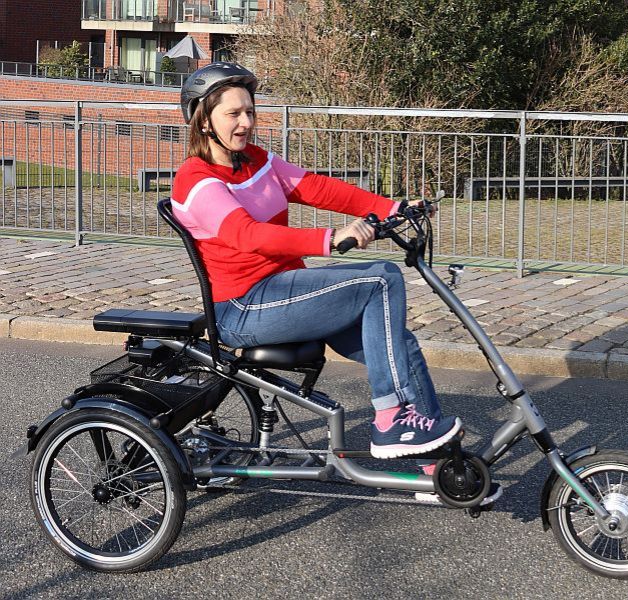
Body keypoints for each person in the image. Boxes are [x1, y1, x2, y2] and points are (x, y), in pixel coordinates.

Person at [171, 62, 461, 462]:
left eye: (250, 111)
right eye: (233, 114)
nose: (246, 122)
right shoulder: (196, 179)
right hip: (242, 307)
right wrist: (330, 238)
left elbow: (317, 188)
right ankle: (391, 417)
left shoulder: (255, 160)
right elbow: (247, 235)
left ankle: (436, 465)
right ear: (204, 121)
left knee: (399, 343)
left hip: (285, 292)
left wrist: (392, 208)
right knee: (381, 280)